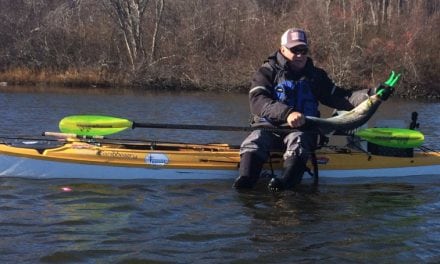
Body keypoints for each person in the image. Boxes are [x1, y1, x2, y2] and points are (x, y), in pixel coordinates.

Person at [233, 28, 371, 192]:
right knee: (255, 139)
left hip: (304, 129)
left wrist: (372, 95)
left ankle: (286, 182)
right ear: (282, 49)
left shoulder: (316, 76)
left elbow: (342, 98)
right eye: (294, 50)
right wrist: (287, 113)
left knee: (298, 139)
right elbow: (258, 101)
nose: (300, 55)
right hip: (269, 127)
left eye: (303, 50)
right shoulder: (266, 72)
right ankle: (245, 180)